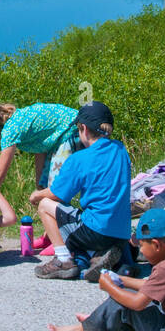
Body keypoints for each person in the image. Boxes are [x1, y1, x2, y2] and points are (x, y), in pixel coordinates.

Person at [47, 208, 165, 331]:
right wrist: (121, 280)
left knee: (122, 303)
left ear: (156, 245)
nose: (141, 250)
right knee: (129, 293)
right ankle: (98, 319)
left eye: (141, 246)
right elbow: (150, 286)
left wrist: (109, 286)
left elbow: (137, 303)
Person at [30, 101, 133, 282]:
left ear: (84, 129)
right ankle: (97, 256)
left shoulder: (79, 158)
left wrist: (37, 195)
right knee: (83, 226)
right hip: (121, 232)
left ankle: (63, 260)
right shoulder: (121, 150)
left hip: (96, 230)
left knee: (46, 206)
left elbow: (58, 195)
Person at [0, 101, 80, 193]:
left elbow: (0, 172)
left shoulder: (10, 130)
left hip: (71, 130)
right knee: (45, 191)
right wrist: (39, 185)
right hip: (68, 132)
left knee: (54, 191)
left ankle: (66, 217)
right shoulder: (17, 120)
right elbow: (40, 150)